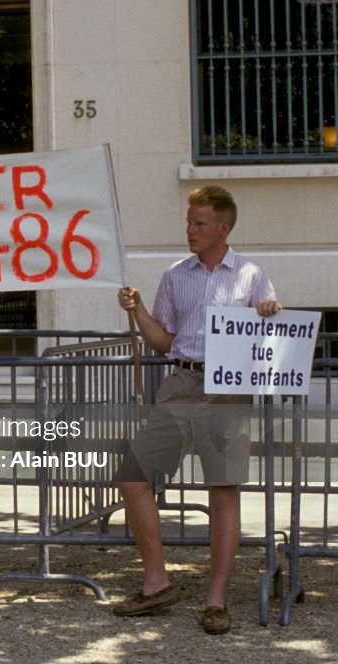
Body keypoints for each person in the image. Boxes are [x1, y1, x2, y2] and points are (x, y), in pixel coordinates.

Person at [114, 185, 281, 635]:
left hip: (229, 390)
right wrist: (138, 310)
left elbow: (270, 334)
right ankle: (157, 583)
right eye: (189, 222)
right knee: (133, 477)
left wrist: (269, 311)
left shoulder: (250, 274)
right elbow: (163, 340)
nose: (190, 230)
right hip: (182, 382)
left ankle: (216, 601)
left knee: (223, 491)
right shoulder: (175, 275)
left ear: (223, 228)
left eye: (199, 223)